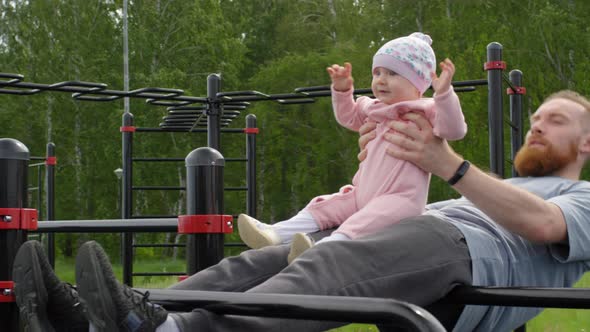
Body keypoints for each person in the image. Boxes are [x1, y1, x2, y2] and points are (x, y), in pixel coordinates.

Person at [12, 89, 590, 331]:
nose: (538, 124)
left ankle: (162, 329)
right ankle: (95, 319)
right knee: (254, 268)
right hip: (430, 239)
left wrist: (450, 167)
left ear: (586, 145)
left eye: (556, 119)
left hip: (463, 256)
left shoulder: (581, 196)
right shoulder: (498, 185)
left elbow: (540, 225)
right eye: (536, 117)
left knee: (322, 272)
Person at [238, 32, 467, 263]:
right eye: (377, 73)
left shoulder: (424, 109)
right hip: (362, 193)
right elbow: (348, 117)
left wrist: (445, 94)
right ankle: (276, 232)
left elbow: (455, 130)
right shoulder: (373, 107)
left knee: (363, 222)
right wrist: (342, 91)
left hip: (400, 199)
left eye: (393, 73)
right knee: (326, 205)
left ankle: (323, 249)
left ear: (417, 82)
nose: (381, 80)